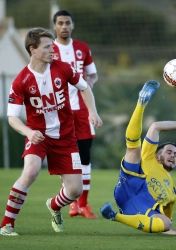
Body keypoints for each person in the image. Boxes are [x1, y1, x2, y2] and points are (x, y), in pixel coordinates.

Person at [0, 27, 102, 236]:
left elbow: (84, 87)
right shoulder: (21, 80)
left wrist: (93, 112)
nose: (53, 49)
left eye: (53, 45)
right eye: (47, 46)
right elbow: (12, 118)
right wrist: (28, 132)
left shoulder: (63, 68)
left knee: (75, 191)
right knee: (31, 171)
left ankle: (54, 206)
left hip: (65, 137)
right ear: (33, 49)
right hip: (39, 136)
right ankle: (6, 225)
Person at [100, 80, 176, 235]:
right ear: (158, 156)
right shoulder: (150, 158)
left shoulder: (172, 191)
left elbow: (163, 224)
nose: (173, 156)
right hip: (130, 185)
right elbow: (155, 127)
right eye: (169, 152)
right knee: (134, 151)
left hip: (141, 209)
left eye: (175, 154)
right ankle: (141, 103)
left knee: (166, 223)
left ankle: (114, 216)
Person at [52, 10, 98, 219]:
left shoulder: (82, 48)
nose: (64, 27)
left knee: (85, 157)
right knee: (67, 159)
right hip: (58, 112)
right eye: (60, 23)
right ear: (54, 26)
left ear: (72, 25)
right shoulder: (48, 49)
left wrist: (87, 87)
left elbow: (93, 74)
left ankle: (84, 204)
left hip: (81, 110)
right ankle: (71, 203)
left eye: (67, 23)